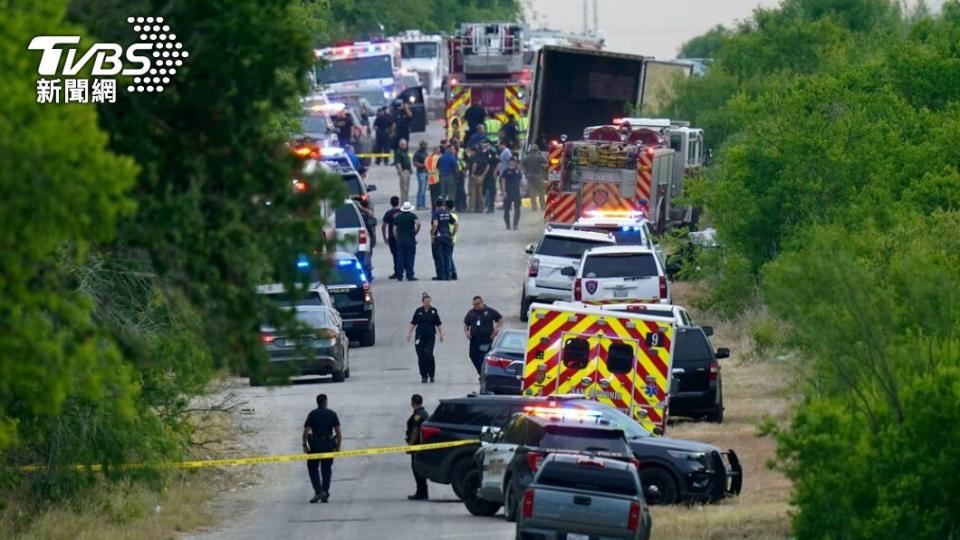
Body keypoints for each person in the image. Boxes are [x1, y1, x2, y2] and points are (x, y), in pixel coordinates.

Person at [302, 393, 342, 504]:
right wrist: (338, 447)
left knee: (313, 469)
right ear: (325, 401)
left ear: (317, 402)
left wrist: (305, 445)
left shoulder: (312, 414)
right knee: (326, 470)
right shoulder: (332, 414)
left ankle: (318, 491)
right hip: (328, 445)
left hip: (315, 445)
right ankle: (325, 492)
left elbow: (306, 432)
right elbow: (338, 433)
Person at [407, 294, 444, 383]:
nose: (427, 303)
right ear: (422, 302)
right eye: (425, 302)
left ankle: (431, 374)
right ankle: (424, 375)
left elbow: (438, 323)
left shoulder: (433, 311)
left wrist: (441, 334)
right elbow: (413, 323)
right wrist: (409, 333)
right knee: (421, 356)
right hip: (420, 336)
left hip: (430, 336)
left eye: (428, 302)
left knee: (429, 354)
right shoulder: (418, 311)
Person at [463, 296, 503, 376]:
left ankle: (484, 375)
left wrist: (497, 329)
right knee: (473, 356)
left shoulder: (489, 311)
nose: (476, 306)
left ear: (482, 302)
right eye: (474, 304)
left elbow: (500, 319)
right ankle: (481, 373)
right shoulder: (471, 313)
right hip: (474, 340)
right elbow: (466, 324)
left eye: (477, 304)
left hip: (486, 339)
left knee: (483, 358)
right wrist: (466, 332)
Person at [405, 394, 430, 500]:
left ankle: (421, 492)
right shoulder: (423, 413)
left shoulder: (418, 415)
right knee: (418, 469)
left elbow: (415, 431)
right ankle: (422, 491)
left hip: (417, 446)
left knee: (417, 470)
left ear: (413, 402)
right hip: (422, 445)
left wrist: (410, 445)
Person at [392, 201, 420, 281]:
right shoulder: (412, 216)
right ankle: (410, 274)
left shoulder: (398, 217)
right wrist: (416, 232)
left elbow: (394, 229)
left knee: (400, 257)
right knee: (410, 257)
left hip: (401, 239)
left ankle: (399, 275)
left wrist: (397, 238)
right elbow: (418, 223)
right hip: (410, 238)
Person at [431, 198, 456, 280]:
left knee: (439, 256)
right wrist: (453, 234)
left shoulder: (436, 213)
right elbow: (456, 223)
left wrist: (432, 234)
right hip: (447, 236)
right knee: (448, 256)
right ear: (443, 205)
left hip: (439, 236)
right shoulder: (447, 213)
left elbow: (435, 224)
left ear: (436, 205)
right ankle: (448, 275)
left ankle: (441, 275)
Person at [521, 144, 548, 211]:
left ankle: (534, 208)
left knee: (532, 193)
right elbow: (547, 162)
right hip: (538, 177)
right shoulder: (539, 157)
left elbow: (522, 166)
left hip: (530, 177)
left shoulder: (526, 158)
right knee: (541, 192)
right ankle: (543, 207)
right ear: (537, 150)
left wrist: (526, 174)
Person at [381, 196, 402, 279]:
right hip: (402, 236)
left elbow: (383, 226)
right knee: (402, 254)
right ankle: (403, 270)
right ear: (398, 202)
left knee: (395, 255)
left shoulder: (389, 213)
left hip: (392, 237)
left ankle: (397, 271)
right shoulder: (402, 211)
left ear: (391, 203)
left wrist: (384, 237)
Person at [500, 156, 523, 230]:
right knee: (506, 209)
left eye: (516, 162)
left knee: (517, 209)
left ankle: (515, 224)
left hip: (516, 192)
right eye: (514, 161)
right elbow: (503, 181)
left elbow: (520, 181)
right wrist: (503, 192)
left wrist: (522, 190)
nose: (515, 163)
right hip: (508, 192)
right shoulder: (506, 171)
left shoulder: (518, 171)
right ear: (510, 162)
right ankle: (508, 224)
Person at [467, 145, 489, 213]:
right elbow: (487, 166)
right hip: (481, 177)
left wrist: (473, 173)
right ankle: (481, 208)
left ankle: (471, 208)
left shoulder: (473, 158)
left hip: (474, 177)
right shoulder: (483, 157)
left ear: (473, 151)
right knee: (480, 194)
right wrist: (483, 175)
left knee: (472, 193)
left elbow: (474, 165)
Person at [394, 138, 412, 203]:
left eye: (405, 144)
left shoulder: (405, 152)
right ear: (400, 145)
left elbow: (408, 161)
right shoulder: (398, 152)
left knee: (407, 189)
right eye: (403, 144)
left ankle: (406, 201)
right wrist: (401, 173)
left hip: (408, 172)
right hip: (403, 172)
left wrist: (411, 169)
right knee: (404, 189)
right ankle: (403, 203)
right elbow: (398, 163)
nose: (405, 145)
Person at [412, 141, 429, 210]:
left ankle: (423, 204)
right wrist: (423, 165)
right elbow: (415, 163)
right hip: (421, 173)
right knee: (421, 189)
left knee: (424, 189)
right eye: (425, 145)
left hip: (426, 172)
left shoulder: (426, 153)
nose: (426, 147)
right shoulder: (417, 154)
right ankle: (419, 205)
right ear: (421, 146)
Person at [483, 141, 498, 213]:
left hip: (491, 175)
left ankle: (491, 207)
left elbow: (498, 163)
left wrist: (495, 172)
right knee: (485, 190)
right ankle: (486, 206)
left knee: (491, 191)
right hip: (486, 175)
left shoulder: (492, 153)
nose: (485, 146)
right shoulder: (485, 153)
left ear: (489, 145)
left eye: (486, 145)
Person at [445, 199, 459, 280]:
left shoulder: (448, 215)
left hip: (449, 236)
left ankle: (452, 272)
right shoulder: (455, 215)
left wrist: (452, 235)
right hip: (453, 237)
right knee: (449, 255)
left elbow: (455, 225)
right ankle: (452, 272)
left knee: (448, 256)